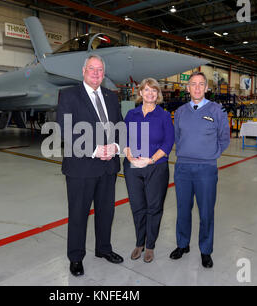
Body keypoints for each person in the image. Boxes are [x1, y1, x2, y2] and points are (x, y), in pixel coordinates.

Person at [57, 54, 124, 277]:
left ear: (104, 74)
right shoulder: (68, 95)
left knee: (106, 212)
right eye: (92, 69)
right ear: (83, 71)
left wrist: (115, 146)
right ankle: (76, 257)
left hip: (108, 167)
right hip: (81, 167)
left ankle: (104, 248)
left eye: (100, 70)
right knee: (78, 213)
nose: (96, 73)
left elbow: (120, 126)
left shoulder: (111, 97)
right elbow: (65, 129)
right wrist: (95, 150)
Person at [169, 71, 230, 268]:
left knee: (206, 212)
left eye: (200, 84)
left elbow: (224, 138)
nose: (196, 87)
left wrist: (211, 155)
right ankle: (182, 244)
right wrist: (187, 152)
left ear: (206, 88)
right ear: (187, 88)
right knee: (182, 209)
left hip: (206, 168)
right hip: (183, 168)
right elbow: (177, 137)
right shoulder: (179, 112)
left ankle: (205, 250)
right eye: (193, 84)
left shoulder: (217, 111)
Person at [123, 78, 174, 263]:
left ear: (157, 94)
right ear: (141, 93)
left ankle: (150, 245)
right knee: (137, 206)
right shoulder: (131, 114)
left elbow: (168, 142)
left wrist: (151, 159)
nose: (150, 93)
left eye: (154, 90)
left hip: (156, 167)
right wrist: (129, 157)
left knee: (154, 207)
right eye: (146, 90)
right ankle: (139, 243)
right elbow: (124, 138)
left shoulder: (164, 116)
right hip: (133, 168)